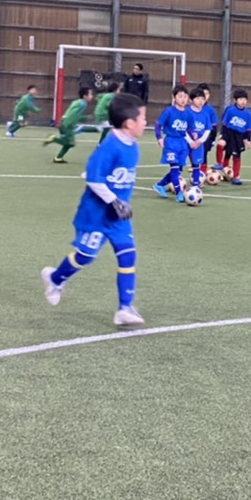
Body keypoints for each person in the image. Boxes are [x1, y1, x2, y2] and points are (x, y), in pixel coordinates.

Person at [41, 92, 147, 327]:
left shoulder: (133, 147)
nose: (145, 122)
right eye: (142, 118)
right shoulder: (110, 146)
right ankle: (55, 279)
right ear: (129, 123)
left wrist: (121, 204)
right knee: (86, 256)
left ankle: (124, 308)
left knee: (128, 255)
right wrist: (114, 201)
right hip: (96, 215)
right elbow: (92, 177)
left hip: (118, 218)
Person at [152, 84, 192, 200]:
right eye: (180, 96)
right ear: (174, 98)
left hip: (182, 143)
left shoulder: (188, 113)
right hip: (171, 142)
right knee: (174, 167)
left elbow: (189, 128)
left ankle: (159, 185)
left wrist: (193, 135)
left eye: (185, 96)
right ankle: (179, 193)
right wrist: (159, 138)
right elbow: (158, 125)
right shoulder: (169, 111)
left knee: (178, 170)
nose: (183, 99)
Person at [44, 86, 93, 164]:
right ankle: (53, 139)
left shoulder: (77, 102)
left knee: (68, 143)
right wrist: (70, 124)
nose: (92, 96)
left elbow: (73, 114)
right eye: (90, 94)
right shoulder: (83, 104)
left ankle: (58, 158)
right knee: (71, 143)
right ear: (85, 96)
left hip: (64, 122)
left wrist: (84, 118)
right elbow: (73, 114)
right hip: (67, 125)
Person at [219, 88, 251, 185]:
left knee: (237, 156)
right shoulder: (230, 110)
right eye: (240, 99)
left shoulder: (247, 113)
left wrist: (248, 140)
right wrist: (222, 134)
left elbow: (248, 129)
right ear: (235, 100)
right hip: (229, 133)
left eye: (245, 99)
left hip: (239, 136)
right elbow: (225, 124)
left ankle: (236, 177)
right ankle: (224, 170)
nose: (243, 101)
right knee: (227, 153)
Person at [185, 87, 215, 186]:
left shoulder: (205, 114)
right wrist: (190, 141)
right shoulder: (186, 112)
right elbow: (183, 129)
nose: (200, 101)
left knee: (196, 164)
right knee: (179, 164)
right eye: (198, 98)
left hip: (199, 144)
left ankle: (196, 184)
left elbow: (208, 129)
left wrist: (200, 141)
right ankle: (175, 183)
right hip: (185, 142)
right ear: (191, 100)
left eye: (202, 99)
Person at [94, 75, 122, 143]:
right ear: (115, 90)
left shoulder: (106, 95)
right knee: (98, 129)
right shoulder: (112, 96)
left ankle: (101, 143)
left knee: (106, 128)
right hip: (102, 114)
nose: (120, 91)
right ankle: (82, 129)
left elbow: (98, 98)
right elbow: (109, 105)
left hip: (100, 113)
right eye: (119, 89)